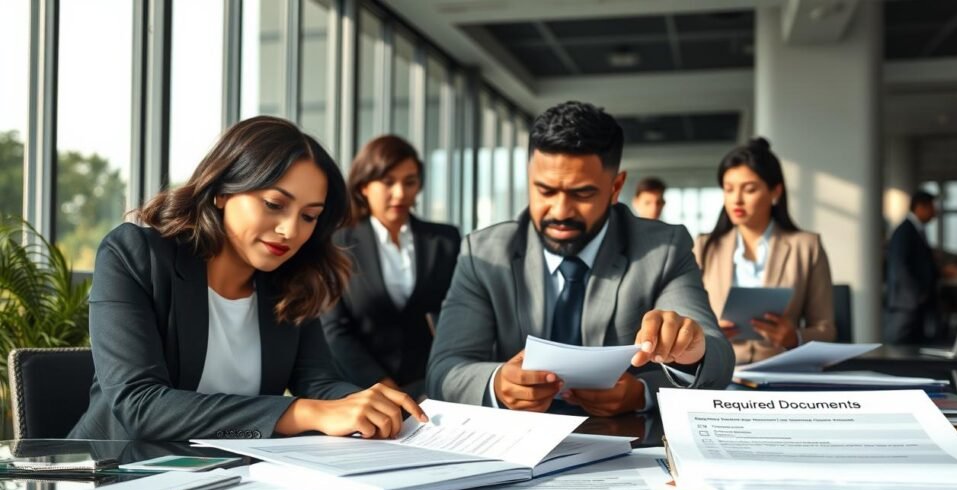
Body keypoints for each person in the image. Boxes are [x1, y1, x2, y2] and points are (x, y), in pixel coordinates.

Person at [69, 116, 426, 441]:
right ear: (224, 190)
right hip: (117, 476)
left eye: (309, 216)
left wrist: (362, 404)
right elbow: (139, 404)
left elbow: (317, 382)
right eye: (274, 204)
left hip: (232, 481)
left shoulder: (291, 280)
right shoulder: (134, 255)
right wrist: (298, 411)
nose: (290, 230)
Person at [427, 101, 732, 416]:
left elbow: (717, 361)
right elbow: (444, 371)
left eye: (582, 194)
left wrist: (658, 379)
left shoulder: (663, 250)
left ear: (615, 188)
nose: (560, 212)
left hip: (626, 447)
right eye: (545, 191)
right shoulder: (483, 254)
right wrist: (496, 383)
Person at [321, 135, 460, 396]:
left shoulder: (444, 241)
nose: (401, 193)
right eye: (388, 182)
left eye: (410, 182)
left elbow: (456, 316)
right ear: (363, 186)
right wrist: (386, 389)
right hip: (359, 391)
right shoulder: (337, 243)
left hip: (432, 389)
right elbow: (334, 331)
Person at [693, 137, 835, 365]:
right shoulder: (704, 247)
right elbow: (685, 319)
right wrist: (708, 334)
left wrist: (794, 337)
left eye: (749, 189)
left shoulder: (807, 247)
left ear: (775, 192)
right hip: (719, 371)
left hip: (781, 371)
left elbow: (826, 329)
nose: (736, 200)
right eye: (728, 189)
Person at [884, 189, 939, 343]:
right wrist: (917, 294)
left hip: (915, 302)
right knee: (897, 347)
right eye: (932, 208)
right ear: (920, 207)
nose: (935, 213)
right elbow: (899, 267)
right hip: (906, 303)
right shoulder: (904, 231)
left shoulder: (917, 230)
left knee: (913, 348)